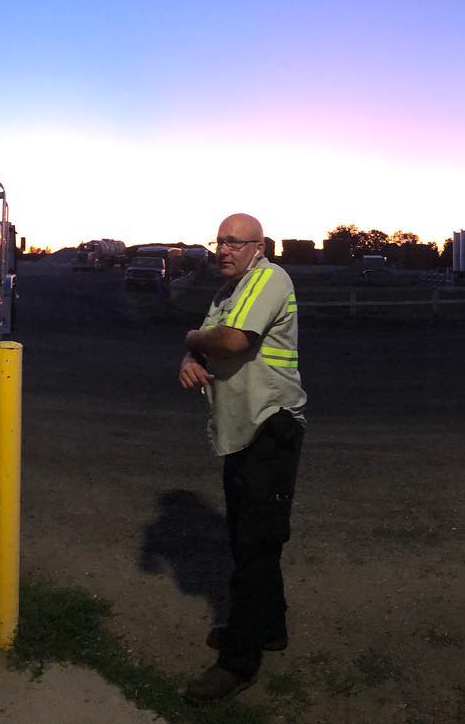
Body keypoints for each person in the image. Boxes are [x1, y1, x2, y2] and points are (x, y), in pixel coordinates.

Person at [177, 212, 306, 702]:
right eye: (219, 242)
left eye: (235, 242)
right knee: (249, 535)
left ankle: (238, 661)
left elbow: (229, 340)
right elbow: (209, 346)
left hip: (270, 425)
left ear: (260, 247)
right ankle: (269, 629)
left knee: (255, 542)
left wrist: (191, 339)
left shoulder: (270, 278)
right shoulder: (227, 294)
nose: (224, 250)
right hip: (240, 430)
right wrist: (191, 358)